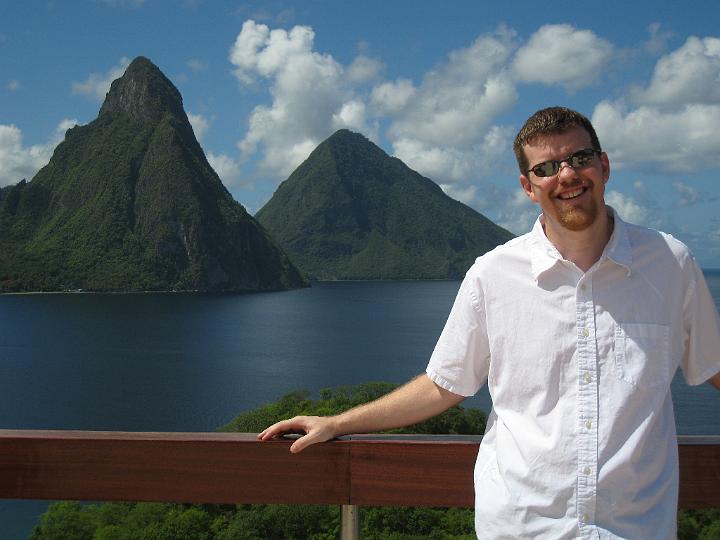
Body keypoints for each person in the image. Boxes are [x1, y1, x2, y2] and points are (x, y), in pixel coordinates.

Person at [259, 106, 720, 538]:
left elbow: (713, 365)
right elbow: (445, 384)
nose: (567, 174)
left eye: (579, 157)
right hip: (521, 526)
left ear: (602, 165)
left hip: (634, 528)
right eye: (546, 167)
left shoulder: (670, 263)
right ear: (528, 185)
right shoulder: (493, 275)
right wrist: (338, 423)